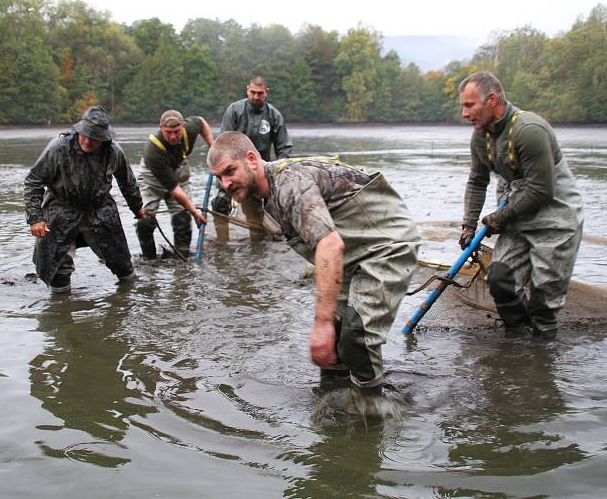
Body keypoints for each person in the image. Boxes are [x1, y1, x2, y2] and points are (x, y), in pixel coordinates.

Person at [208, 131, 420, 394]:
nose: (225, 183)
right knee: (332, 351)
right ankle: (335, 412)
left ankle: (373, 414)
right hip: (352, 255)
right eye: (219, 178)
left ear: (252, 159)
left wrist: (321, 324)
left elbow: (329, 246)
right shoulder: (259, 194)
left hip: (387, 245)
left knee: (356, 338)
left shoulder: (290, 183)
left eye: (230, 171)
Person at [458, 71, 583, 338]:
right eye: (463, 106)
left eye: (469, 105)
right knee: (500, 280)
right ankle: (517, 347)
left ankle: (542, 348)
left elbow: (541, 189)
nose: (464, 113)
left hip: (554, 218)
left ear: (492, 100)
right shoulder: (480, 137)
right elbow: (477, 182)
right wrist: (468, 226)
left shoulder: (529, 130)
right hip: (517, 216)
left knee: (544, 301)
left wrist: (500, 217)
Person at [24, 105, 146, 293]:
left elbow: (127, 182)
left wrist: (137, 208)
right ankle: (61, 309)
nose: (88, 141)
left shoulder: (114, 152)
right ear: (79, 130)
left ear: (104, 138)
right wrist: (36, 218)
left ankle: (126, 301)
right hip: (61, 209)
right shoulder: (58, 148)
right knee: (56, 267)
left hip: (100, 209)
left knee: (122, 264)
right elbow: (34, 181)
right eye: (85, 135)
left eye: (94, 138)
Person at [213, 76, 292, 241]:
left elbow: (283, 148)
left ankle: (258, 248)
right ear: (247, 89)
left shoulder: (274, 116)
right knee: (219, 205)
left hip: (258, 173)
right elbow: (223, 142)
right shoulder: (234, 111)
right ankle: (222, 244)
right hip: (232, 170)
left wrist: (279, 173)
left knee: (255, 213)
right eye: (253, 92)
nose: (256, 97)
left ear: (266, 92)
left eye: (260, 93)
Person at [135, 110, 214, 259]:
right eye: (168, 132)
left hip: (178, 168)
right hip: (152, 178)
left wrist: (213, 147)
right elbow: (174, 190)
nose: (173, 137)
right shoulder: (152, 151)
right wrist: (194, 211)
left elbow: (201, 122)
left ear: (183, 127)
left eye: (177, 132)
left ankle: (182, 258)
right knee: (145, 220)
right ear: (161, 128)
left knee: (182, 218)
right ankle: (149, 260)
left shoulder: (190, 128)